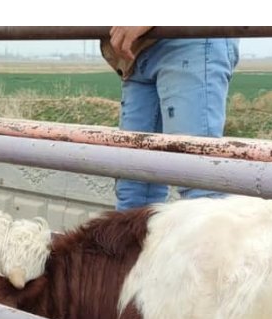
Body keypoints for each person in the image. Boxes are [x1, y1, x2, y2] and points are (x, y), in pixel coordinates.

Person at [102, 26, 240, 210]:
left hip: (188, 35)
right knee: (133, 190)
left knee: (198, 183)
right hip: (137, 49)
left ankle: (210, 239)